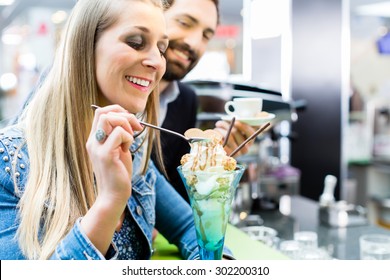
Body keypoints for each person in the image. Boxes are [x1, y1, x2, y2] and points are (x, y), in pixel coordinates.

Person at [0, 0, 232, 260]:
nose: (157, 62)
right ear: (85, 46)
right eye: (135, 42)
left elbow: (191, 227)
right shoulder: (10, 163)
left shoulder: (134, 148)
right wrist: (110, 202)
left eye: (161, 48)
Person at [155, 0, 257, 202]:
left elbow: (179, 195)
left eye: (206, 36)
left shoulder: (187, 100)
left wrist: (211, 162)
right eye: (185, 22)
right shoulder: (118, 95)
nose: (194, 43)